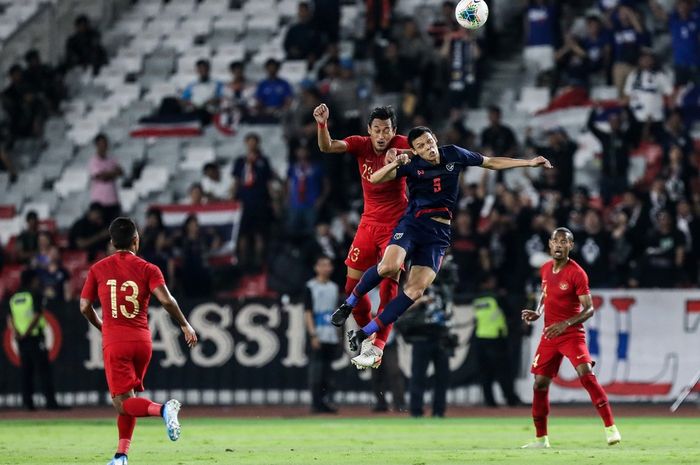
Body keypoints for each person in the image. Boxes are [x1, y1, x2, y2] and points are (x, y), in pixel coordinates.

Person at [333, 125, 552, 368]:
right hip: (413, 223)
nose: (428, 148)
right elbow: (375, 178)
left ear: (435, 138)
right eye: (421, 146)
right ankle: (349, 303)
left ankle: (365, 332)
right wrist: (395, 163)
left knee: (415, 291)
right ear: (415, 150)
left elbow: (490, 162)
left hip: (438, 233)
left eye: (429, 142)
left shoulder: (454, 154)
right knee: (388, 267)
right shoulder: (411, 162)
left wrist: (529, 163)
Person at [79, 217, 198, 465]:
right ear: (136, 240)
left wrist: (101, 325)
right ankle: (121, 456)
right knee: (128, 399)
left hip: (116, 340)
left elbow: (84, 306)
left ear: (112, 242)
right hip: (142, 340)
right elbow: (166, 300)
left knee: (122, 404)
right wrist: (184, 324)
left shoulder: (98, 269)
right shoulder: (149, 269)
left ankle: (163, 409)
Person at [313, 104, 410, 369]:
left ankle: (378, 345)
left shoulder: (402, 143)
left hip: (396, 225)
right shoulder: (360, 145)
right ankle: (366, 333)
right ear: (369, 130)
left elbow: (426, 149)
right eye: (377, 130)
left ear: (394, 131)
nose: (381, 135)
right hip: (368, 224)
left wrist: (401, 154)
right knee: (350, 288)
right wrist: (322, 124)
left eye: (386, 130)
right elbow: (327, 147)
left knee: (389, 286)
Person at [520, 227, 621, 448]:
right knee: (539, 384)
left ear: (570, 246)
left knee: (586, 374)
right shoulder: (545, 268)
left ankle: (611, 428)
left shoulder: (577, 273)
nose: (559, 245)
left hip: (571, 334)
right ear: (549, 244)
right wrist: (538, 311)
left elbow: (589, 309)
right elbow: (545, 294)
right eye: (555, 241)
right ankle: (541, 439)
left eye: (563, 241)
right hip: (549, 334)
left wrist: (565, 323)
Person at [5, 269, 63, 411]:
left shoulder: (14, 297)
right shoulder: (34, 294)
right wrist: (27, 332)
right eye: (36, 279)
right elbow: (37, 316)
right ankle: (50, 403)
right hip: (34, 338)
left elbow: (10, 318)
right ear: (32, 280)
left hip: (20, 340)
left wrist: (17, 333)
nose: (38, 281)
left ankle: (28, 403)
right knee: (44, 371)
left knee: (26, 371)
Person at [472, 274, 521, 407]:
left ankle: (490, 402)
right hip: (496, 338)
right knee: (503, 372)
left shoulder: (477, 299)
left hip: (480, 337)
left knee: (485, 374)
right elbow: (510, 314)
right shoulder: (497, 297)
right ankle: (511, 399)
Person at [304, 255, 340, 414]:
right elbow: (308, 312)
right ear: (316, 268)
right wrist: (312, 334)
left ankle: (325, 401)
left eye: (328, 265)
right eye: (322, 265)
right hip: (318, 332)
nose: (326, 268)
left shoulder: (333, 287)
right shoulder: (310, 287)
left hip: (330, 333)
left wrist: (338, 332)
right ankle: (315, 402)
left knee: (327, 371)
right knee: (316, 370)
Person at [89, 134, 123, 224]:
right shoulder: (93, 161)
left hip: (113, 200)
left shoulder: (112, 159)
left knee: (114, 226)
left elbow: (120, 171)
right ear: (96, 145)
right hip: (99, 201)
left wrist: (107, 174)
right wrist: (112, 173)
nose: (103, 146)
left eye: (105, 144)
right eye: (101, 144)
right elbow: (101, 177)